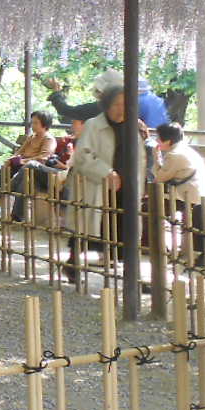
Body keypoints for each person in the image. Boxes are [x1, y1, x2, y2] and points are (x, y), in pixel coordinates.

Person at [65, 86, 148, 281]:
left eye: (125, 104)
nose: (121, 109)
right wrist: (105, 172)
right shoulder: (94, 125)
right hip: (97, 185)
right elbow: (83, 155)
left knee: (126, 229)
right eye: (116, 104)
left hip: (126, 186)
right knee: (88, 228)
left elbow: (141, 159)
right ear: (107, 105)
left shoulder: (133, 126)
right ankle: (72, 264)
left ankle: (133, 276)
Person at [153, 122, 205, 259]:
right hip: (198, 195)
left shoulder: (174, 155)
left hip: (186, 198)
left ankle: (155, 246)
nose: (157, 141)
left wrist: (156, 157)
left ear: (168, 141)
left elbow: (159, 177)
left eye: (158, 138)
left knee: (149, 207)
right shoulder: (187, 150)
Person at [0, 110, 57, 214]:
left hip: (31, 169)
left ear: (44, 124)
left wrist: (23, 161)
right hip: (19, 164)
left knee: (15, 180)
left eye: (36, 123)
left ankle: (1, 198)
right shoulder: (31, 137)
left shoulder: (48, 139)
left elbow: (44, 157)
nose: (32, 126)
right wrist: (12, 159)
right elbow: (19, 151)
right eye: (32, 122)